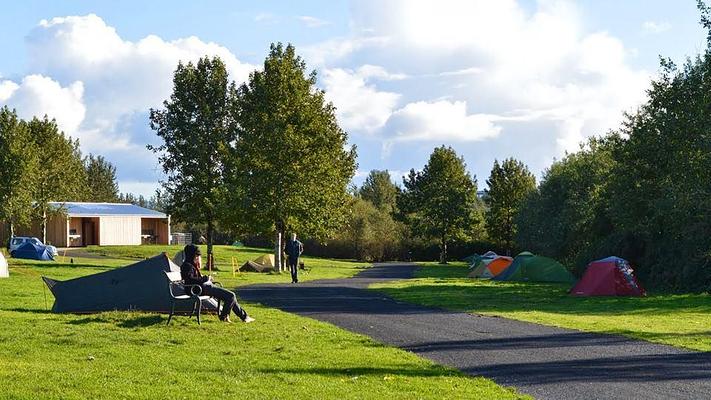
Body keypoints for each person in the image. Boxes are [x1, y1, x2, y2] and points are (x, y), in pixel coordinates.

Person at [180, 244, 254, 323]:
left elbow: (194, 278)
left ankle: (244, 317)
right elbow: (190, 280)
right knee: (231, 296)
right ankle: (225, 317)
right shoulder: (187, 266)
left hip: (202, 287)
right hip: (197, 289)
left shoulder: (190, 264)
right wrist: (206, 278)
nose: (197, 257)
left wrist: (205, 278)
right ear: (191, 254)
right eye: (196, 255)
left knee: (231, 296)